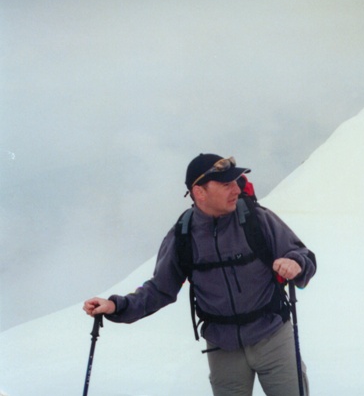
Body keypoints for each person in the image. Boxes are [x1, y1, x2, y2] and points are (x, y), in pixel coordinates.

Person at [83, 153, 316, 396]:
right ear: (199, 192)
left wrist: (295, 262)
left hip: (273, 337)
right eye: (226, 184)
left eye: (236, 182)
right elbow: (160, 289)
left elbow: (303, 255)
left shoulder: (257, 219)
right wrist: (115, 306)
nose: (236, 189)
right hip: (222, 349)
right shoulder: (182, 236)